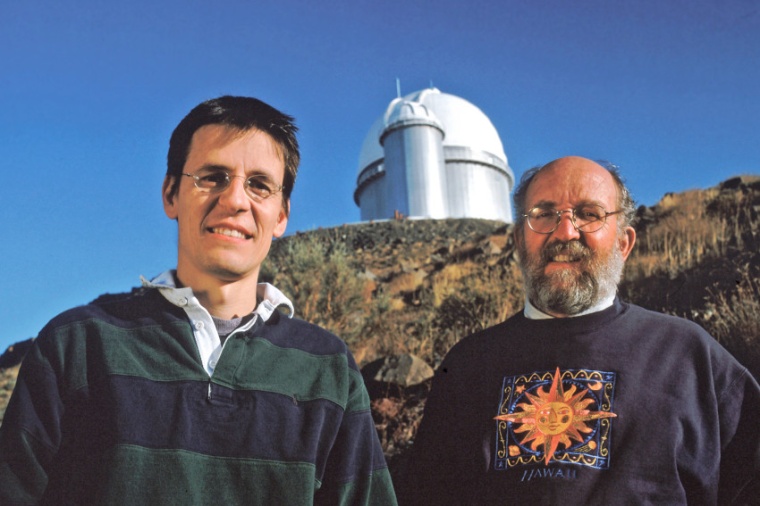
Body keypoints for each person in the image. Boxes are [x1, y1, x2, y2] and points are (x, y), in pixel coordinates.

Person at [0, 96, 397, 505]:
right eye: (212, 176)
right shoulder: (76, 346)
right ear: (171, 194)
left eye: (259, 185)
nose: (235, 200)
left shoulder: (328, 368)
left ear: (281, 216)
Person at [401, 156, 760, 504]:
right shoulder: (467, 364)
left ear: (624, 243)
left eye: (589, 214)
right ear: (517, 242)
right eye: (543, 215)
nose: (565, 231)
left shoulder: (689, 355)